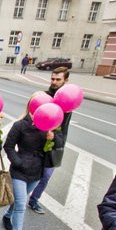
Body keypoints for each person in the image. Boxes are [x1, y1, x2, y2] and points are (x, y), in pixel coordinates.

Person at [2, 94, 62, 230]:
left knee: (18, 199)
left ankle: (7, 215)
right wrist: (18, 162)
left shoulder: (50, 126)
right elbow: (8, 146)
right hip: (20, 171)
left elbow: (58, 145)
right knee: (21, 203)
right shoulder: (20, 125)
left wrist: (53, 138)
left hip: (37, 171)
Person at [28, 67, 73, 215]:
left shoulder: (68, 101)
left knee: (46, 176)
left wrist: (59, 141)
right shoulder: (44, 97)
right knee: (30, 173)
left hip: (56, 143)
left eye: (58, 79)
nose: (54, 82)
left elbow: (64, 126)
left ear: (66, 80)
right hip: (38, 142)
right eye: (52, 79)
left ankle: (34, 200)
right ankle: (18, 200)